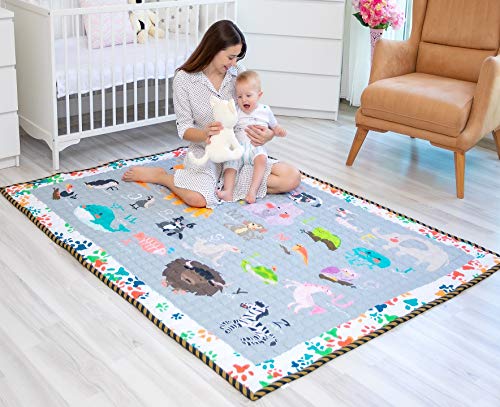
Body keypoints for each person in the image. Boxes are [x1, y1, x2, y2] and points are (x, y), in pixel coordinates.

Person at [122, 20, 300, 208]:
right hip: (206, 152)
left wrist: (268, 134)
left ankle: (226, 185)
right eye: (230, 57)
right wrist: (204, 134)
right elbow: (184, 128)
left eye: (237, 57)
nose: (234, 63)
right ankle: (163, 177)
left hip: (238, 151)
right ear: (214, 49)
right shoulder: (184, 79)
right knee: (197, 199)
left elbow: (254, 109)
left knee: (291, 177)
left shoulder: (238, 72)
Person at [217, 70, 286, 204]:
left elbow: (274, 126)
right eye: (239, 96)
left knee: (262, 159)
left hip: (255, 147)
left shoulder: (265, 110)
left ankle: (252, 191)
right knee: (230, 164)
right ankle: (228, 191)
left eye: (248, 95)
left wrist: (278, 131)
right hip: (238, 147)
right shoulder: (236, 111)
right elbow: (228, 125)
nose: (244, 100)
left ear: (259, 95)